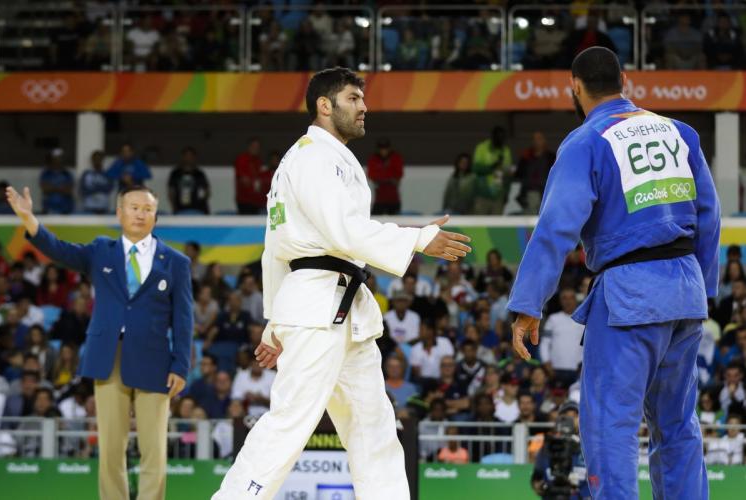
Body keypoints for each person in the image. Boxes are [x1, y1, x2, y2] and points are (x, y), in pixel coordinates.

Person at [213, 67, 471, 499]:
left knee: (374, 426)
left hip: (338, 307)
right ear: (325, 105)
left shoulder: (319, 157)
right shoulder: (313, 156)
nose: (364, 106)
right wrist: (419, 238)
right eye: (354, 98)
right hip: (318, 303)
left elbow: (274, 247)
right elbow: (343, 231)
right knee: (291, 421)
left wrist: (275, 321)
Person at [508, 47, 720, 499]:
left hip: (629, 297)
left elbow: (555, 227)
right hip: (685, 293)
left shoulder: (586, 141)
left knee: (609, 428)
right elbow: (709, 215)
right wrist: (701, 286)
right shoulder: (679, 133)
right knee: (678, 426)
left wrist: (528, 304)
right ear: (624, 79)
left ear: (575, 87)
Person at [6, 184, 193, 500]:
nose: (140, 213)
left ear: (156, 216)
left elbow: (184, 319)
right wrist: (29, 220)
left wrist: (181, 366)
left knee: (154, 448)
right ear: (119, 213)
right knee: (110, 447)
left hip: (155, 361)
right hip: (108, 357)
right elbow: (59, 249)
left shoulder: (176, 262)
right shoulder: (99, 251)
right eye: (133, 207)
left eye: (147, 208)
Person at [472, 125, 512, 215]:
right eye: (499, 137)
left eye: (503, 137)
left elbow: (508, 175)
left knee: (496, 225)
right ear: (493, 136)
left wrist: (506, 193)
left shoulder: (506, 151)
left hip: (498, 195)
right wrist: (492, 167)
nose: (501, 139)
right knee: (479, 225)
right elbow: (476, 169)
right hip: (482, 194)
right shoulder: (482, 148)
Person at [167, 147, 210, 214]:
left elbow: (206, 192)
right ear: (183, 157)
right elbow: (171, 193)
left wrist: (201, 202)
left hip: (199, 209)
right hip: (180, 209)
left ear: (194, 157)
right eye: (186, 156)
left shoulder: (199, 174)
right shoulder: (175, 174)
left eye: (190, 156)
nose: (188, 158)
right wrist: (174, 208)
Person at [367, 137, 404, 215]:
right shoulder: (373, 159)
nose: (383, 150)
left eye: (385, 148)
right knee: (374, 219)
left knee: (395, 221)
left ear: (389, 148)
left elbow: (399, 174)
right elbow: (371, 175)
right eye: (381, 148)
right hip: (379, 199)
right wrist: (388, 178)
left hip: (393, 198)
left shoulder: (396, 157)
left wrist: (382, 177)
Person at [40, 148, 74, 214]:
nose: (58, 160)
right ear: (52, 159)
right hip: (49, 207)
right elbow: (45, 190)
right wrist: (60, 188)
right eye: (56, 158)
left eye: (60, 158)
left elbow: (68, 191)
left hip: (65, 208)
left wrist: (53, 188)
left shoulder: (67, 174)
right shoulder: (46, 173)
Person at [79, 150, 114, 214]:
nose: (97, 161)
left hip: (103, 207)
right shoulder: (86, 174)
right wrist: (100, 187)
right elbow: (83, 191)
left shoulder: (107, 174)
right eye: (95, 159)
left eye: (99, 159)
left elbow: (109, 189)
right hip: (89, 207)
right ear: (92, 160)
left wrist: (94, 188)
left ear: (102, 160)